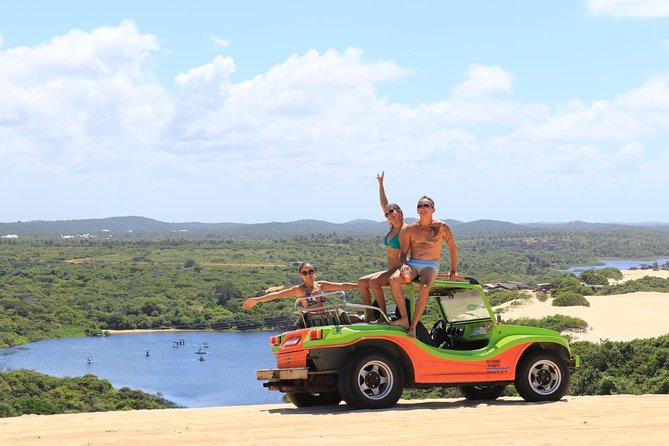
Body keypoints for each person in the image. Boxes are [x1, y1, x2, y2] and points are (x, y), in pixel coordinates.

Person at [389, 196, 459, 338]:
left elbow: (452, 248)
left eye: (426, 206)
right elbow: (403, 253)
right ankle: (404, 318)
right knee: (393, 280)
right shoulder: (410, 229)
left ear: (433, 209)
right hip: (413, 263)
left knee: (425, 287)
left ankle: (413, 327)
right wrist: (404, 266)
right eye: (420, 205)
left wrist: (453, 270)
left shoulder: (442, 227)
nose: (422, 208)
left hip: (430, 264)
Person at [357, 171, 405, 322]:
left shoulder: (406, 229)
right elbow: (384, 204)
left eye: (392, 212)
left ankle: (383, 317)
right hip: (390, 269)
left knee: (373, 282)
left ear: (399, 212)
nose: (389, 215)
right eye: (387, 214)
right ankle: (369, 315)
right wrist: (381, 184)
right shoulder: (392, 228)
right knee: (362, 282)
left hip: (398, 269)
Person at [242, 262, 358, 310]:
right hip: (313, 319)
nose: (308, 275)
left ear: (314, 273)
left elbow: (342, 285)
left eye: (310, 271)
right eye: (304, 273)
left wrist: (359, 286)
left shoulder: (321, 285)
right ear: (301, 275)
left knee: (356, 318)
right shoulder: (299, 290)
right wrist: (256, 300)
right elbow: (277, 295)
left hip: (326, 315)